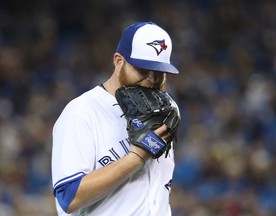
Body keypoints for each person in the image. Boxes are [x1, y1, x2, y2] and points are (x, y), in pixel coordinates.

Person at [51, 21, 180, 216]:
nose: (152, 79)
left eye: (158, 72)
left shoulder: (163, 111)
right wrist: (136, 157)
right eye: (143, 70)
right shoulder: (82, 112)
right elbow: (68, 197)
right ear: (119, 61)